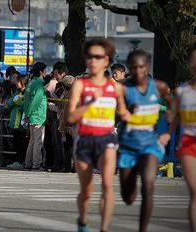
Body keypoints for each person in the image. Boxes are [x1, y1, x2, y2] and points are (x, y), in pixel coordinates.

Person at [67, 38, 129, 232]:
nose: (92, 61)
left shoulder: (116, 88)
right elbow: (70, 117)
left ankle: (104, 228)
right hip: (85, 140)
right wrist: (89, 103)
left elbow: (124, 112)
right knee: (87, 191)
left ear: (107, 61)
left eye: (98, 57)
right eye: (89, 57)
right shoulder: (80, 85)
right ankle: (83, 222)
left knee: (108, 185)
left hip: (107, 139)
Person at [117, 49, 174, 232]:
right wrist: (125, 112)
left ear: (147, 67)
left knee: (148, 185)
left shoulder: (159, 87)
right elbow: (116, 112)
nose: (137, 72)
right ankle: (129, 184)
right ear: (129, 70)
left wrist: (169, 128)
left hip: (149, 144)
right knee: (128, 197)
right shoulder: (123, 88)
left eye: (141, 67)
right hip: (128, 146)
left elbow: (173, 106)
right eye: (133, 68)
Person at [160, 45, 196, 232]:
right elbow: (178, 117)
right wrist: (167, 133)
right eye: (193, 60)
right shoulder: (182, 91)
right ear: (189, 63)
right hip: (189, 143)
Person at [23, 62, 48, 171]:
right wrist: (30, 113)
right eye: (45, 70)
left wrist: (27, 114)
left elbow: (26, 100)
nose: (46, 72)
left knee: (32, 141)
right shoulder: (39, 85)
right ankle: (36, 164)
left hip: (32, 116)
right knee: (38, 141)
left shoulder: (31, 83)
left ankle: (28, 163)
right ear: (41, 72)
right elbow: (36, 102)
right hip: (38, 116)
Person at [6, 74, 29, 170]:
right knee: (16, 142)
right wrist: (16, 101)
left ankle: (21, 161)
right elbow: (9, 103)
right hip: (15, 122)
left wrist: (16, 101)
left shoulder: (27, 92)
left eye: (18, 81)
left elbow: (24, 105)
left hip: (22, 122)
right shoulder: (17, 92)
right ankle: (17, 161)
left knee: (22, 143)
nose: (16, 82)